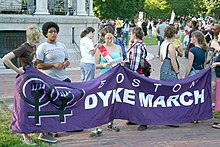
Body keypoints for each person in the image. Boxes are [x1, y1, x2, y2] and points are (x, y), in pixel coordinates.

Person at [2, 25, 41, 145]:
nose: (41, 37)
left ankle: (32, 131)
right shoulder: (24, 47)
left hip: (32, 79)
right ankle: (25, 136)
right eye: (39, 35)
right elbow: (6, 59)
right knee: (23, 107)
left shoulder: (33, 47)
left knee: (32, 106)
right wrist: (18, 70)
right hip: (24, 81)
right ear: (35, 36)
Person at [36, 22, 71, 143]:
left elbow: (67, 60)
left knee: (66, 102)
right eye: (50, 31)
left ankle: (62, 125)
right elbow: (38, 65)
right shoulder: (43, 47)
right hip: (49, 80)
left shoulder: (62, 45)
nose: (53, 33)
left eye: (55, 31)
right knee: (50, 105)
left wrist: (65, 64)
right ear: (46, 34)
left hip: (63, 79)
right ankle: (46, 131)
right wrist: (52, 64)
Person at [91, 26, 121, 136]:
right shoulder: (100, 49)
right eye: (107, 38)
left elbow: (121, 60)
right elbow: (96, 65)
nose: (109, 40)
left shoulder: (118, 48)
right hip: (104, 77)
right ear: (104, 37)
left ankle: (111, 122)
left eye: (111, 38)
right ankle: (98, 126)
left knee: (114, 101)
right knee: (102, 101)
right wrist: (105, 65)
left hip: (116, 77)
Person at [125, 27, 148, 131]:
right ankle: (134, 118)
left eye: (131, 33)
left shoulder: (137, 46)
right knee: (135, 97)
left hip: (136, 75)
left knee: (138, 98)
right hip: (138, 74)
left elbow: (135, 62)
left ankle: (143, 120)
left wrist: (131, 72)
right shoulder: (138, 44)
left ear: (134, 34)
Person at [210, 25, 220, 110]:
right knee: (213, 85)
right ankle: (213, 103)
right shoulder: (214, 41)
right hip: (214, 65)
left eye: (215, 29)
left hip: (218, 64)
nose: (213, 30)